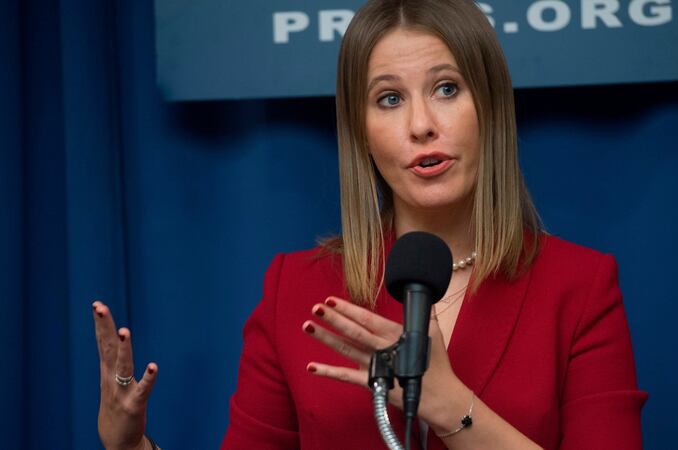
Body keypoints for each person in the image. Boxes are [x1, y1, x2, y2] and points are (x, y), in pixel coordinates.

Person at [93, 0, 647, 449]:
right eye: (388, 99)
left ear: (492, 107)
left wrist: (448, 405)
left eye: (447, 88)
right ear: (361, 131)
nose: (421, 124)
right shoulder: (297, 288)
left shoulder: (580, 287)